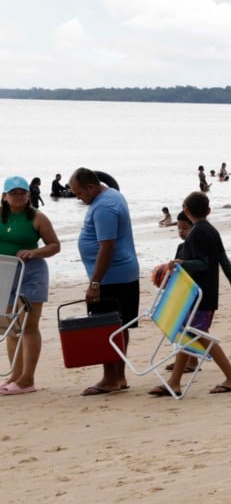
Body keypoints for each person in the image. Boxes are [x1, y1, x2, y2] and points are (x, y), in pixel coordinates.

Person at [149, 192, 231, 396]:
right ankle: (174, 382)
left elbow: (203, 264)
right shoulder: (211, 230)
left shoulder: (197, 234)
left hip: (200, 295)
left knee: (197, 334)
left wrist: (181, 264)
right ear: (209, 210)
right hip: (205, 294)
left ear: (186, 210)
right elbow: (224, 261)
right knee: (188, 333)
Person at [69, 167, 140, 395]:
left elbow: (106, 247)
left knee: (105, 328)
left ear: (91, 187)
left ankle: (110, 379)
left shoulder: (104, 207)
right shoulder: (112, 195)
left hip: (112, 278)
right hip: (123, 273)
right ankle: (119, 377)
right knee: (119, 325)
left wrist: (95, 283)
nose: (78, 198)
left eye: (79, 193)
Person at [0, 176, 60, 395]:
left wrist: (34, 252)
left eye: (22, 193)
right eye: (13, 193)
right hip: (4, 273)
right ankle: (15, 376)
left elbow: (54, 245)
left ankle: (27, 379)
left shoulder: (37, 217)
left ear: (28, 195)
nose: (18, 197)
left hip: (31, 274)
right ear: (4, 196)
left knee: (28, 326)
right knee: (9, 327)